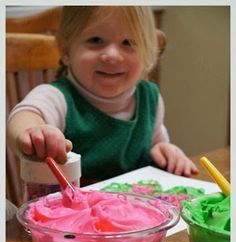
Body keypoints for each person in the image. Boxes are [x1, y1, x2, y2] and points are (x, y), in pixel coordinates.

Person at [7, 6, 198, 184]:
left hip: (135, 215)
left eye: (128, 42)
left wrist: (165, 151)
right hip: (69, 215)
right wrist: (34, 133)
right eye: (96, 40)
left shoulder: (150, 98)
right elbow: (25, 116)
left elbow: (156, 143)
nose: (112, 55)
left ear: (146, 52)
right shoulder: (57, 97)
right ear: (66, 50)